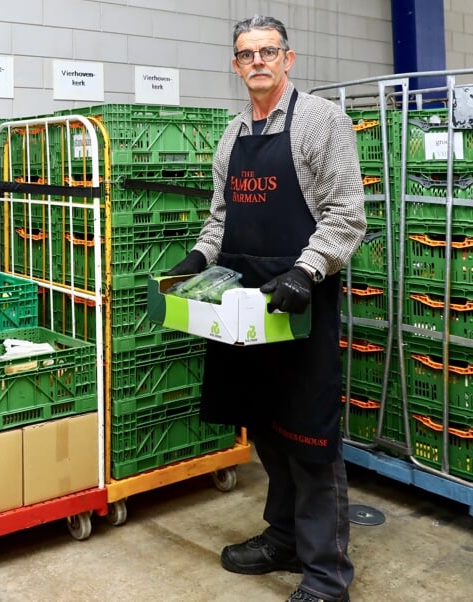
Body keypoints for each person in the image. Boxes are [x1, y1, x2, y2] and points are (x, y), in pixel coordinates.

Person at [166, 15, 366, 602]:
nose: (257, 61)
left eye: (267, 51)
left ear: (288, 58)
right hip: (245, 312)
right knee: (267, 429)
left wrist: (306, 270)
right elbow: (221, 220)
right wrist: (197, 262)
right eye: (245, 53)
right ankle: (283, 539)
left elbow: (346, 213)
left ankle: (327, 576)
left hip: (298, 302)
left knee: (309, 437)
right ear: (235, 65)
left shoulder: (321, 122)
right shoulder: (232, 136)